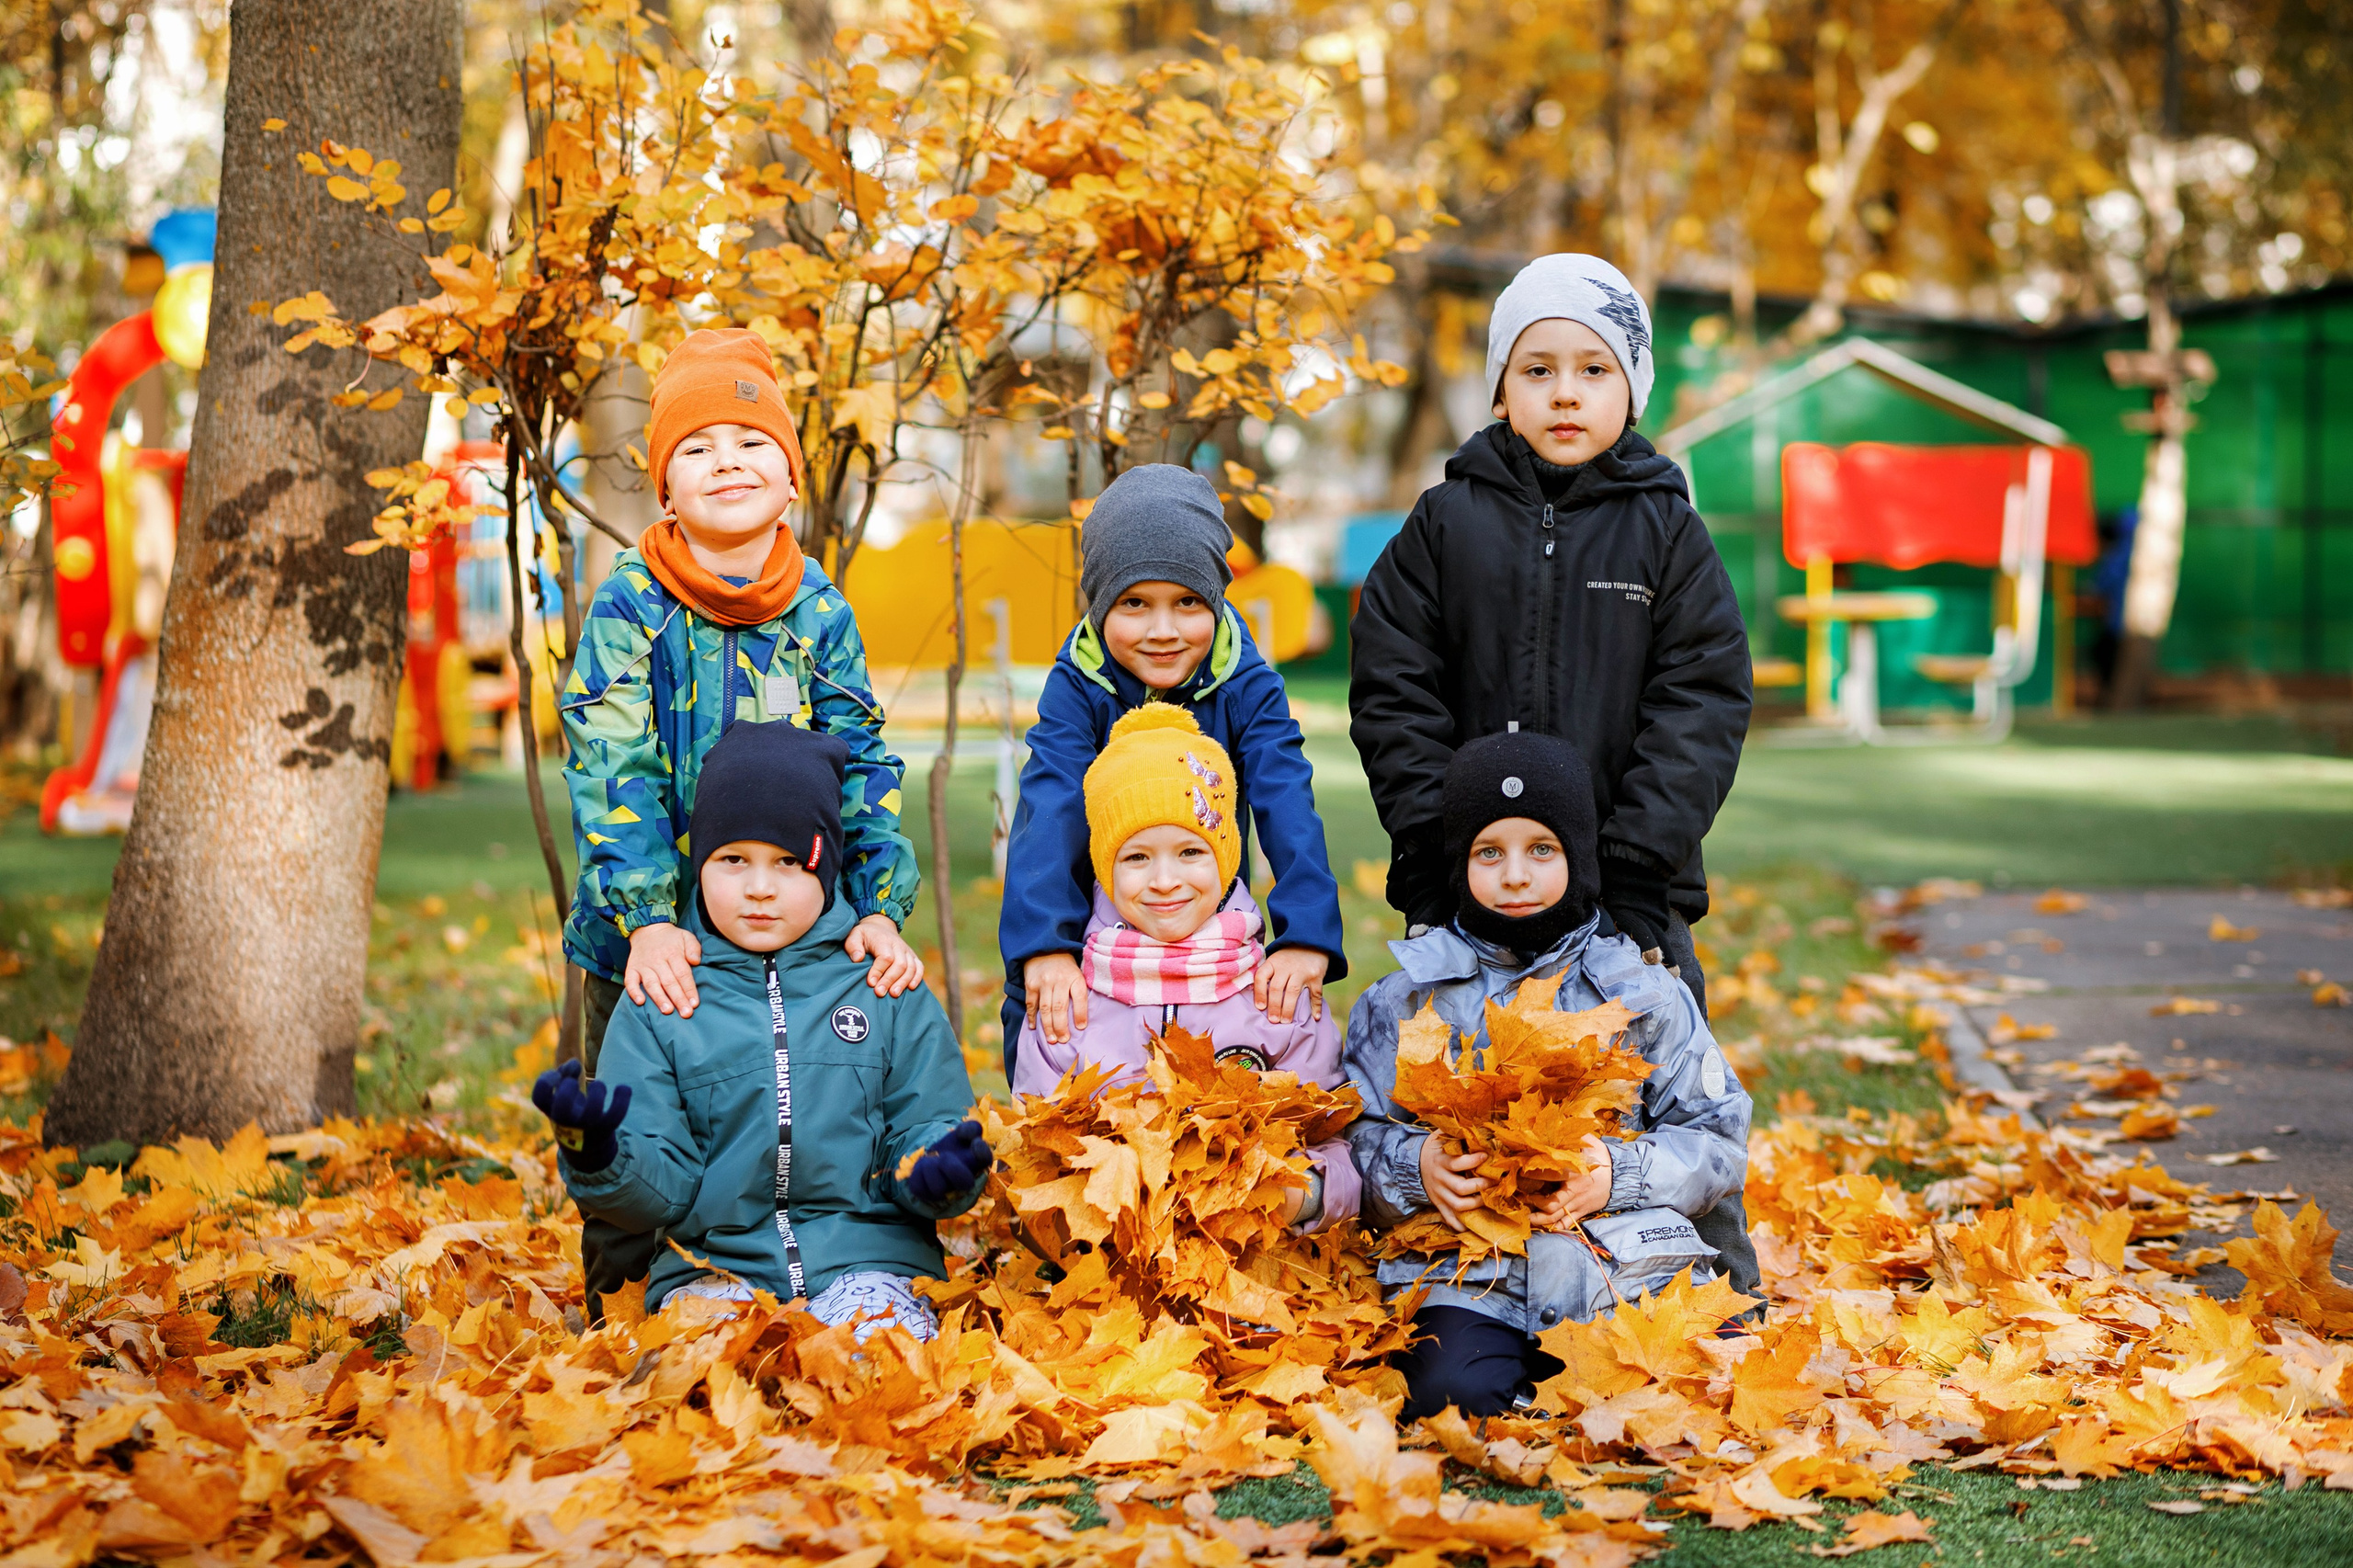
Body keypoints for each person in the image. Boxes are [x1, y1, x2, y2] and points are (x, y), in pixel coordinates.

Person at [1347, 252, 1756, 1298]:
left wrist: (1632, 859)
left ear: (1632, 389)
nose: (1565, 392)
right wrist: (1442, 841)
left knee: (1654, 1087)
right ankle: (1469, 1293)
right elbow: (1392, 686)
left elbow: (1702, 701)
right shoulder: (1445, 525)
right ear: (1501, 390)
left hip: (1629, 895)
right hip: (1469, 889)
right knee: (1467, 1098)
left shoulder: (1666, 531)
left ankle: (1715, 1294)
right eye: (1537, 370)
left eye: (1592, 369)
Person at [561, 327, 922, 1304]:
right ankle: (623, 1313)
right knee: (634, 1122)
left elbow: (861, 760)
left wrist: (877, 903)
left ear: (791, 478)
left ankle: (795, 1282)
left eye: (752, 442)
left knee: (776, 1111)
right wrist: (647, 919)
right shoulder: (632, 604)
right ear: (665, 491)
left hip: (781, 930)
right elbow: (611, 761)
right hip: (646, 939)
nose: (728, 461)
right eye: (698, 448)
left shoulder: (817, 610)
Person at [1342, 732, 1752, 1418]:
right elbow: (1351, 1135)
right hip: (1476, 1277)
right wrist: (1417, 1167)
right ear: (1458, 862)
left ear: (1578, 856)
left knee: (1719, 1385)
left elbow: (1719, 1141)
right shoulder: (1405, 1000)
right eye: (1488, 852)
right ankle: (1514, 1380)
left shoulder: (1643, 994)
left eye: (1542, 850)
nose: (1515, 875)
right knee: (1450, 1396)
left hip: (1629, 1271)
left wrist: (1617, 1175)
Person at [537, 720, 988, 1335]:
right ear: (700, 864)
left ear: (826, 868)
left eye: (788, 862)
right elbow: (658, 1189)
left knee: (880, 1363)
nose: (758, 888)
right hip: (712, 1274)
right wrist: (600, 1155)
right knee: (701, 1374)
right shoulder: (663, 996)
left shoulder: (883, 982)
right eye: (732, 859)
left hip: (869, 1265)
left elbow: (927, 1123)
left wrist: (935, 1170)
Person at [999, 462, 1346, 1081]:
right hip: (1101, 917)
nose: (1163, 631)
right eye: (1134, 604)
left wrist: (1306, 933)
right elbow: (1050, 806)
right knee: (1047, 1001)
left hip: (1202, 904)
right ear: (1099, 604)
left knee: (1236, 1049)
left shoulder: (1244, 682)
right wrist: (1045, 945)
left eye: (1187, 603)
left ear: (1217, 599)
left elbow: (1286, 796)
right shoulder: (1079, 684)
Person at [1012, 703, 1360, 1231]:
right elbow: (1033, 1163)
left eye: (1191, 852)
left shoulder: (1277, 994)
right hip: (1112, 1264)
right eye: (1136, 857)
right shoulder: (1068, 1001)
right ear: (1104, 870)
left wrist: (1303, 1197)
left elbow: (1333, 1146)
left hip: (1248, 1256)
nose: (1165, 880)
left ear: (1225, 857)